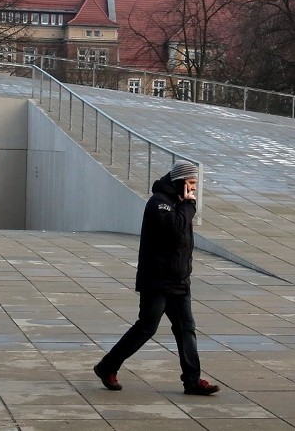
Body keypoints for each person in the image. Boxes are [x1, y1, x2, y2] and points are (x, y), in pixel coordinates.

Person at [93, 160, 220, 396]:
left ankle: (192, 381)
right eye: (191, 183)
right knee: (146, 328)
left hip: (179, 281)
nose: (194, 189)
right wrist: (190, 205)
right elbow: (174, 230)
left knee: (186, 329)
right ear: (180, 181)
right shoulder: (159, 203)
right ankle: (107, 366)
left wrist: (186, 205)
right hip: (157, 281)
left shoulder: (178, 203)